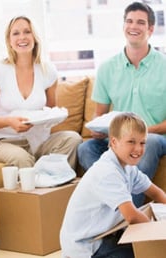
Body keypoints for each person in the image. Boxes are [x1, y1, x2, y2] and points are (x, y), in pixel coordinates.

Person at [77, 2, 166, 207]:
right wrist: (97, 129)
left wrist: (138, 136)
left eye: (140, 22)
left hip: (154, 138)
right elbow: (99, 114)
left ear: (150, 29)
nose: (133, 26)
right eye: (129, 21)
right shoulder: (108, 68)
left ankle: (123, 224)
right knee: (85, 149)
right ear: (123, 25)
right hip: (117, 140)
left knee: (149, 143)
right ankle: (116, 204)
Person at [0, 16, 82, 169]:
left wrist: (51, 118)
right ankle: (41, 182)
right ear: (9, 40)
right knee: (23, 159)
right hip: (4, 142)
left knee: (73, 139)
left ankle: (52, 184)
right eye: (16, 33)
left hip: (38, 142)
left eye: (27, 32)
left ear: (35, 37)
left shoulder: (48, 71)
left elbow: (51, 111)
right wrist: (9, 121)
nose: (22, 37)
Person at [60, 112, 166, 258]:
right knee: (149, 252)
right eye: (131, 142)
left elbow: (157, 193)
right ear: (114, 142)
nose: (138, 149)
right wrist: (157, 235)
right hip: (87, 246)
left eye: (142, 143)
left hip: (105, 234)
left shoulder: (128, 167)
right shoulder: (107, 172)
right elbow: (132, 217)